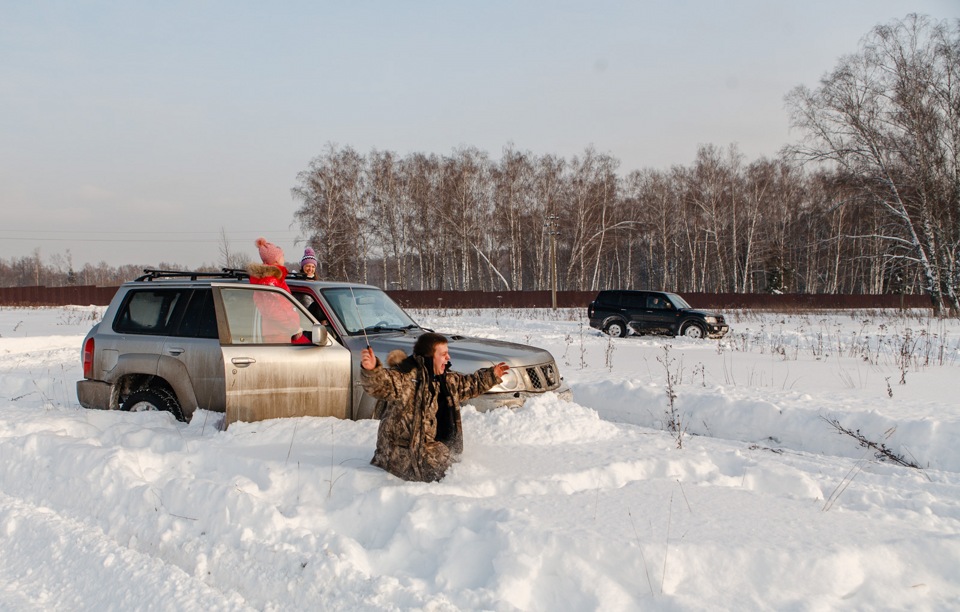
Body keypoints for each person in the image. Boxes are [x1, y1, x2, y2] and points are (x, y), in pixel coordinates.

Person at [360, 333, 509, 482]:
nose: (448, 358)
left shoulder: (444, 379)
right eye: (443, 354)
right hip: (399, 456)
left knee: (458, 468)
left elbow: (467, 385)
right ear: (430, 357)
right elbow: (380, 384)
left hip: (427, 447)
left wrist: (491, 375)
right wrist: (371, 370)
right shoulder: (406, 379)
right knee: (453, 474)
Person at [246, 237, 309, 344]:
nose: (284, 258)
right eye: (282, 255)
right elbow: (275, 311)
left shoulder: (273, 280)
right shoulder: (270, 282)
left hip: (282, 332)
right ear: (275, 259)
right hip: (277, 334)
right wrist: (293, 327)